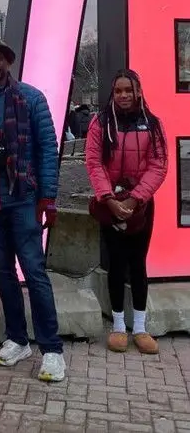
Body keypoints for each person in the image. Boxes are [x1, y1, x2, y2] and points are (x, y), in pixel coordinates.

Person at [0, 38, 65, 382]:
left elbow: (47, 149)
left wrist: (47, 198)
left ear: (8, 62)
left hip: (22, 199)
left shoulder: (31, 98)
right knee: (3, 273)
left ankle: (52, 349)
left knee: (34, 272)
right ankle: (18, 339)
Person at [86, 69, 168, 354]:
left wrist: (134, 200)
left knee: (138, 263)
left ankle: (141, 328)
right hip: (110, 203)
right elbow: (94, 162)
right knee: (117, 264)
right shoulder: (100, 122)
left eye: (128, 90)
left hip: (140, 205)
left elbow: (159, 165)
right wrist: (109, 200)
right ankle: (119, 326)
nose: (123, 95)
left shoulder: (153, 124)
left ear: (138, 92)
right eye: (118, 90)